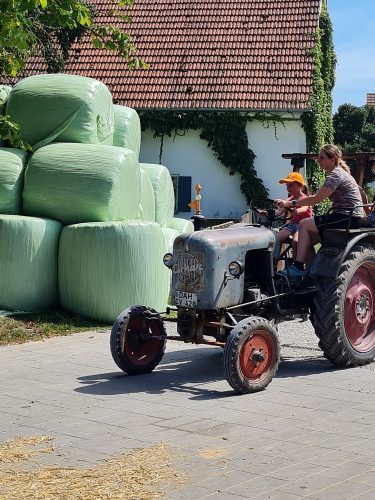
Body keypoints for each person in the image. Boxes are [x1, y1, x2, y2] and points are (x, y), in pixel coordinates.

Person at [275, 144, 364, 280]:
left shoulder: (336, 175)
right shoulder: (340, 173)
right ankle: (312, 277)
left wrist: (289, 203)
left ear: (332, 160)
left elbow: (316, 199)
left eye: (321, 158)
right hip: (346, 215)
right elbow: (361, 192)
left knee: (303, 224)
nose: (318, 161)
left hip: (346, 216)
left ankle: (298, 267)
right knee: (306, 240)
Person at [273, 172, 312, 260]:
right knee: (276, 238)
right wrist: (267, 212)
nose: (288, 188)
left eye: (291, 185)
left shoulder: (306, 199)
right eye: (287, 186)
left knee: (296, 241)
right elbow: (279, 212)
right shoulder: (289, 200)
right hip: (293, 225)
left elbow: (304, 209)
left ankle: (296, 263)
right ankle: (274, 260)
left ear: (300, 186)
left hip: (303, 226)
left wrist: (297, 211)